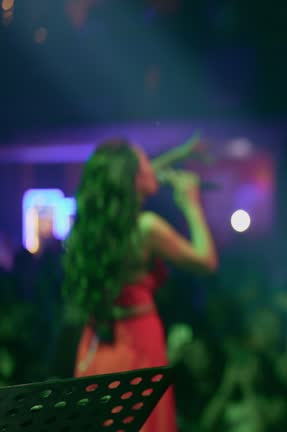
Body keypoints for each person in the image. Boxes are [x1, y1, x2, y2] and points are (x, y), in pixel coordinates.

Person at [63, 138, 218, 432]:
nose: (155, 166)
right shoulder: (146, 228)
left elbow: (121, 177)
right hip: (136, 341)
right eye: (147, 163)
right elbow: (206, 261)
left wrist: (179, 153)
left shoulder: (94, 225)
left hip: (99, 341)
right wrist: (191, 203)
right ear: (136, 178)